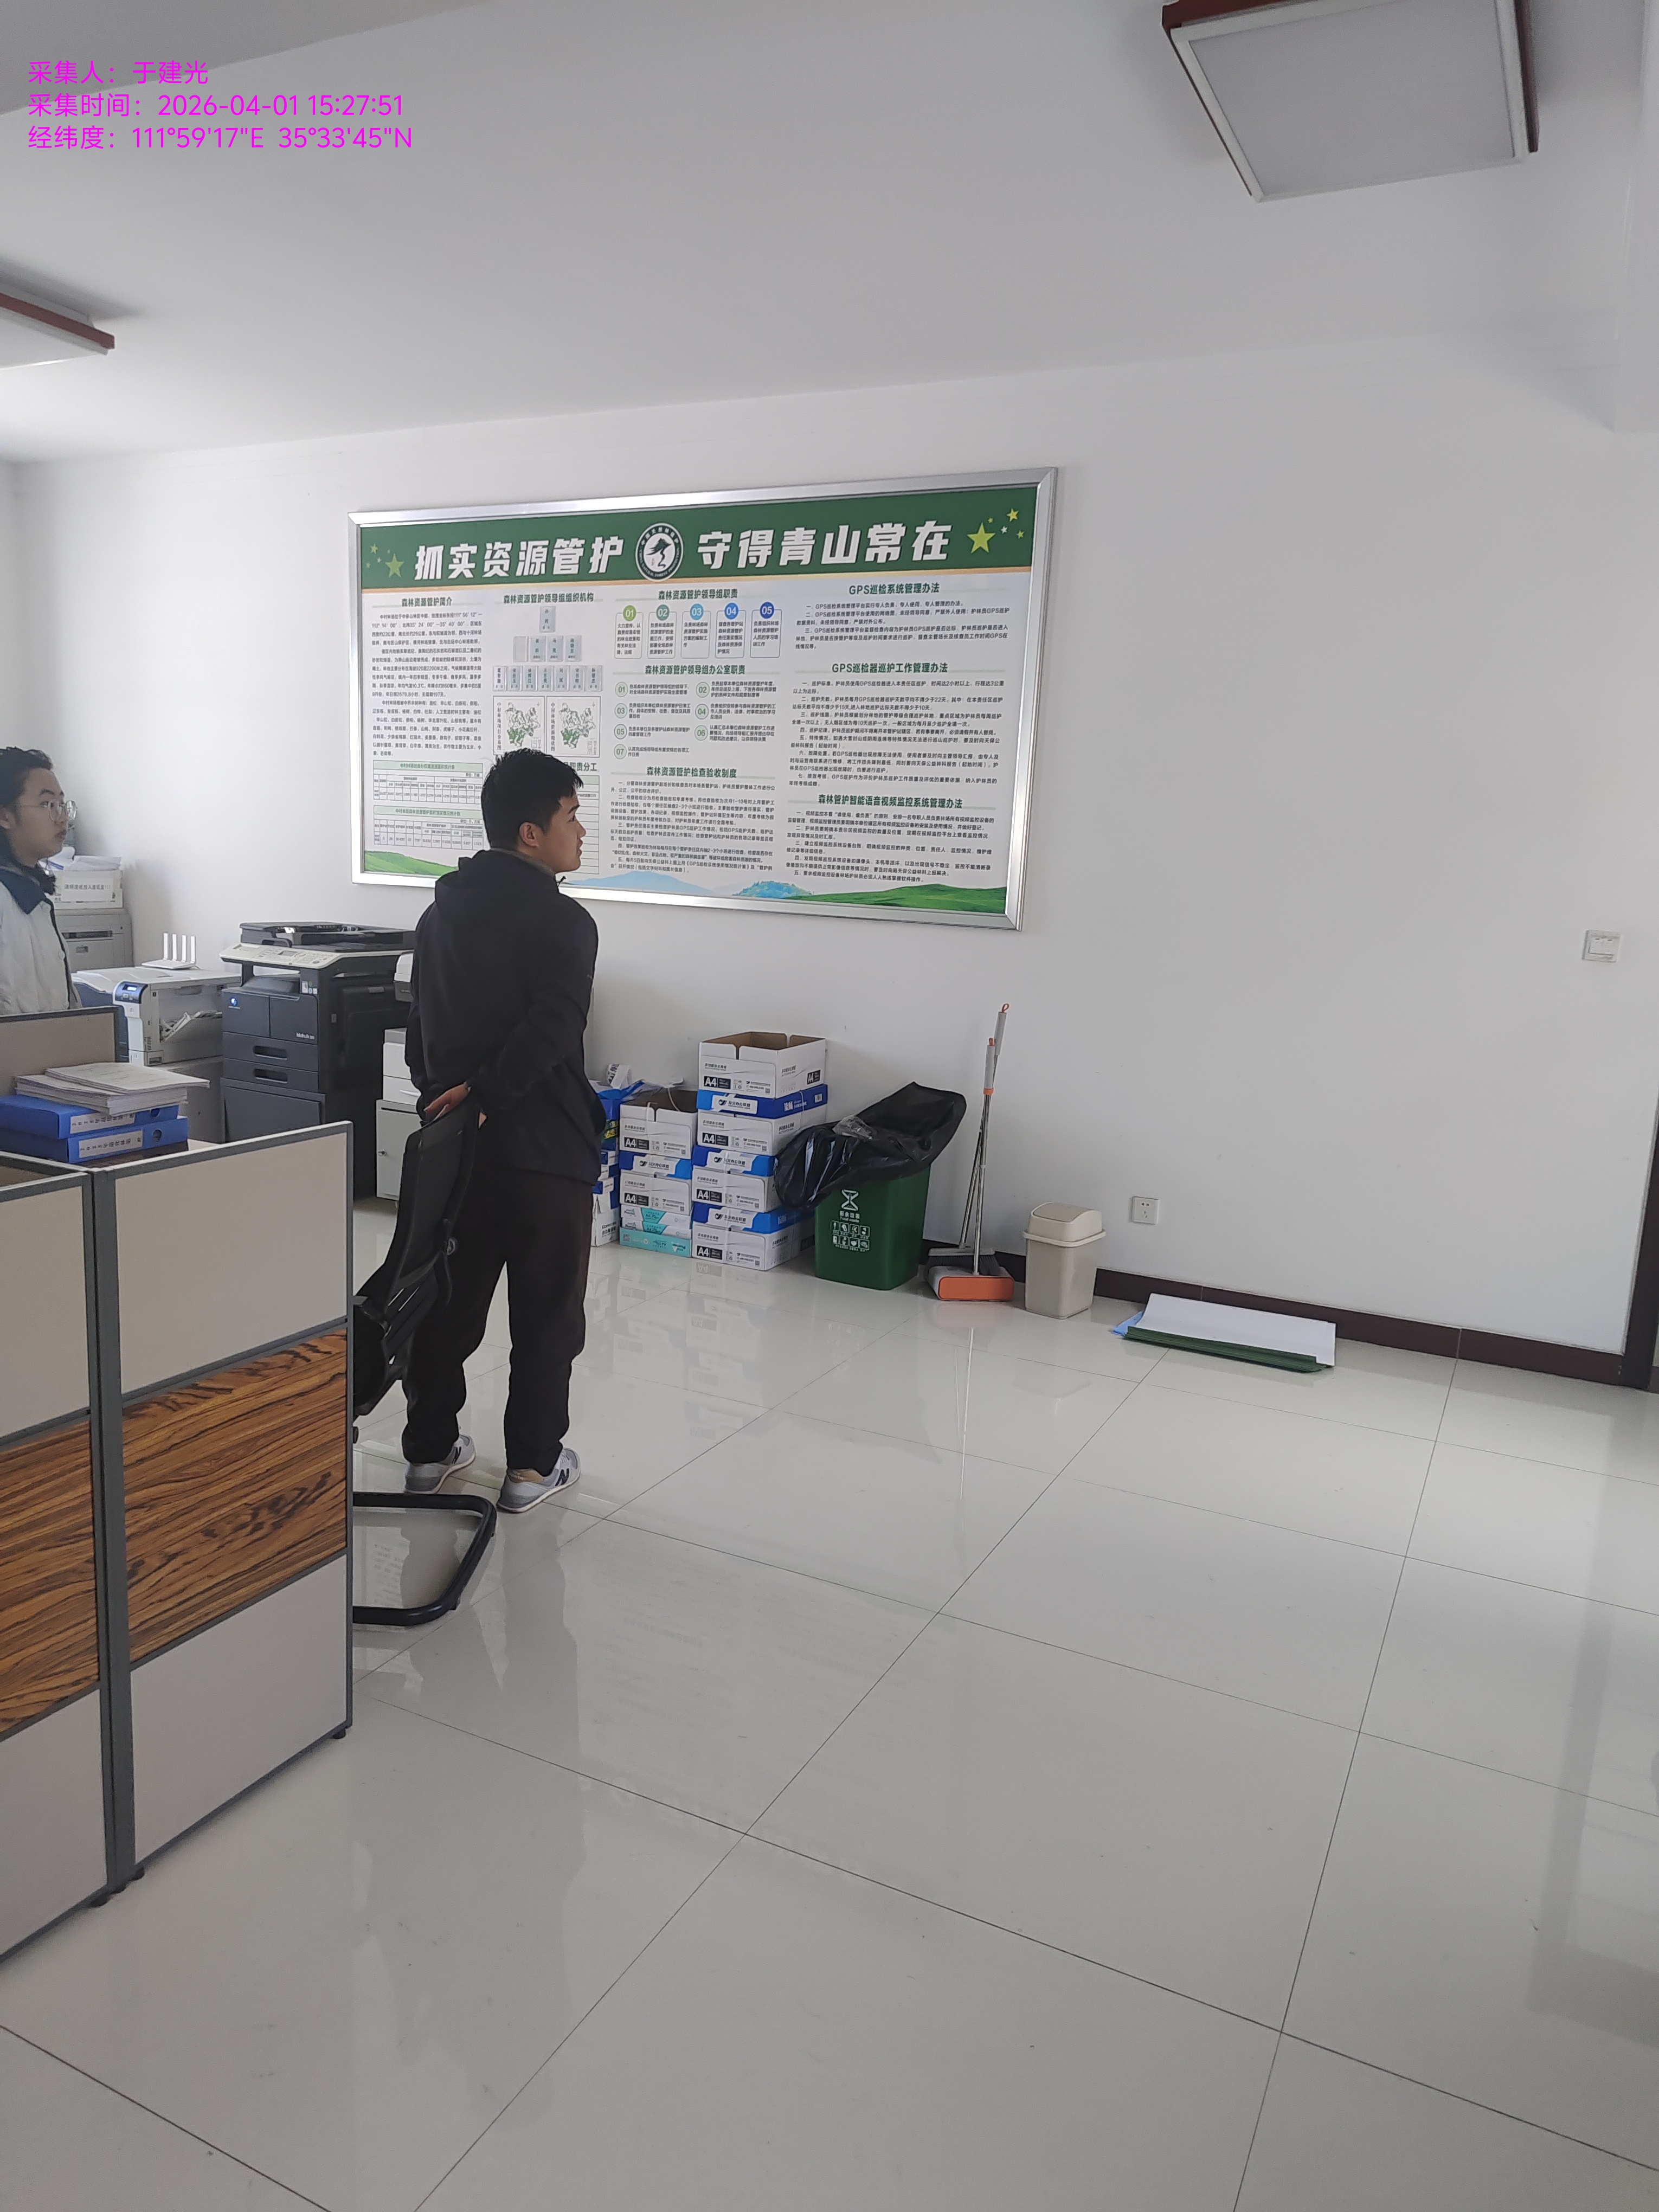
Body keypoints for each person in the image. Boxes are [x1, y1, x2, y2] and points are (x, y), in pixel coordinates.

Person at [400, 747, 604, 1514]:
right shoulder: (565, 921)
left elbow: (420, 1026)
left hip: (458, 1151)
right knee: (547, 1314)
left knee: (445, 1307)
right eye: (571, 816)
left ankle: (428, 1452)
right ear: (530, 832)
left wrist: (448, 1103)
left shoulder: (438, 915)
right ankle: (531, 1470)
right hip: (545, 1149)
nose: (580, 831)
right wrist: (488, 1095)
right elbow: (555, 1026)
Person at [0, 748, 77, 1019]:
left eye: (62, 804)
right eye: (47, 805)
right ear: (5, 816)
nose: (62, 818)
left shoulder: (34, 895)